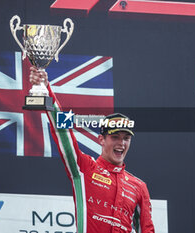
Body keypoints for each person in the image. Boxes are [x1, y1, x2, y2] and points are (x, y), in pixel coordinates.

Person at [29, 67, 154, 233]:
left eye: (126, 138)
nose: (121, 143)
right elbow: (63, 134)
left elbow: (147, 230)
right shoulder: (84, 168)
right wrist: (46, 89)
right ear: (101, 139)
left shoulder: (139, 186)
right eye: (115, 137)